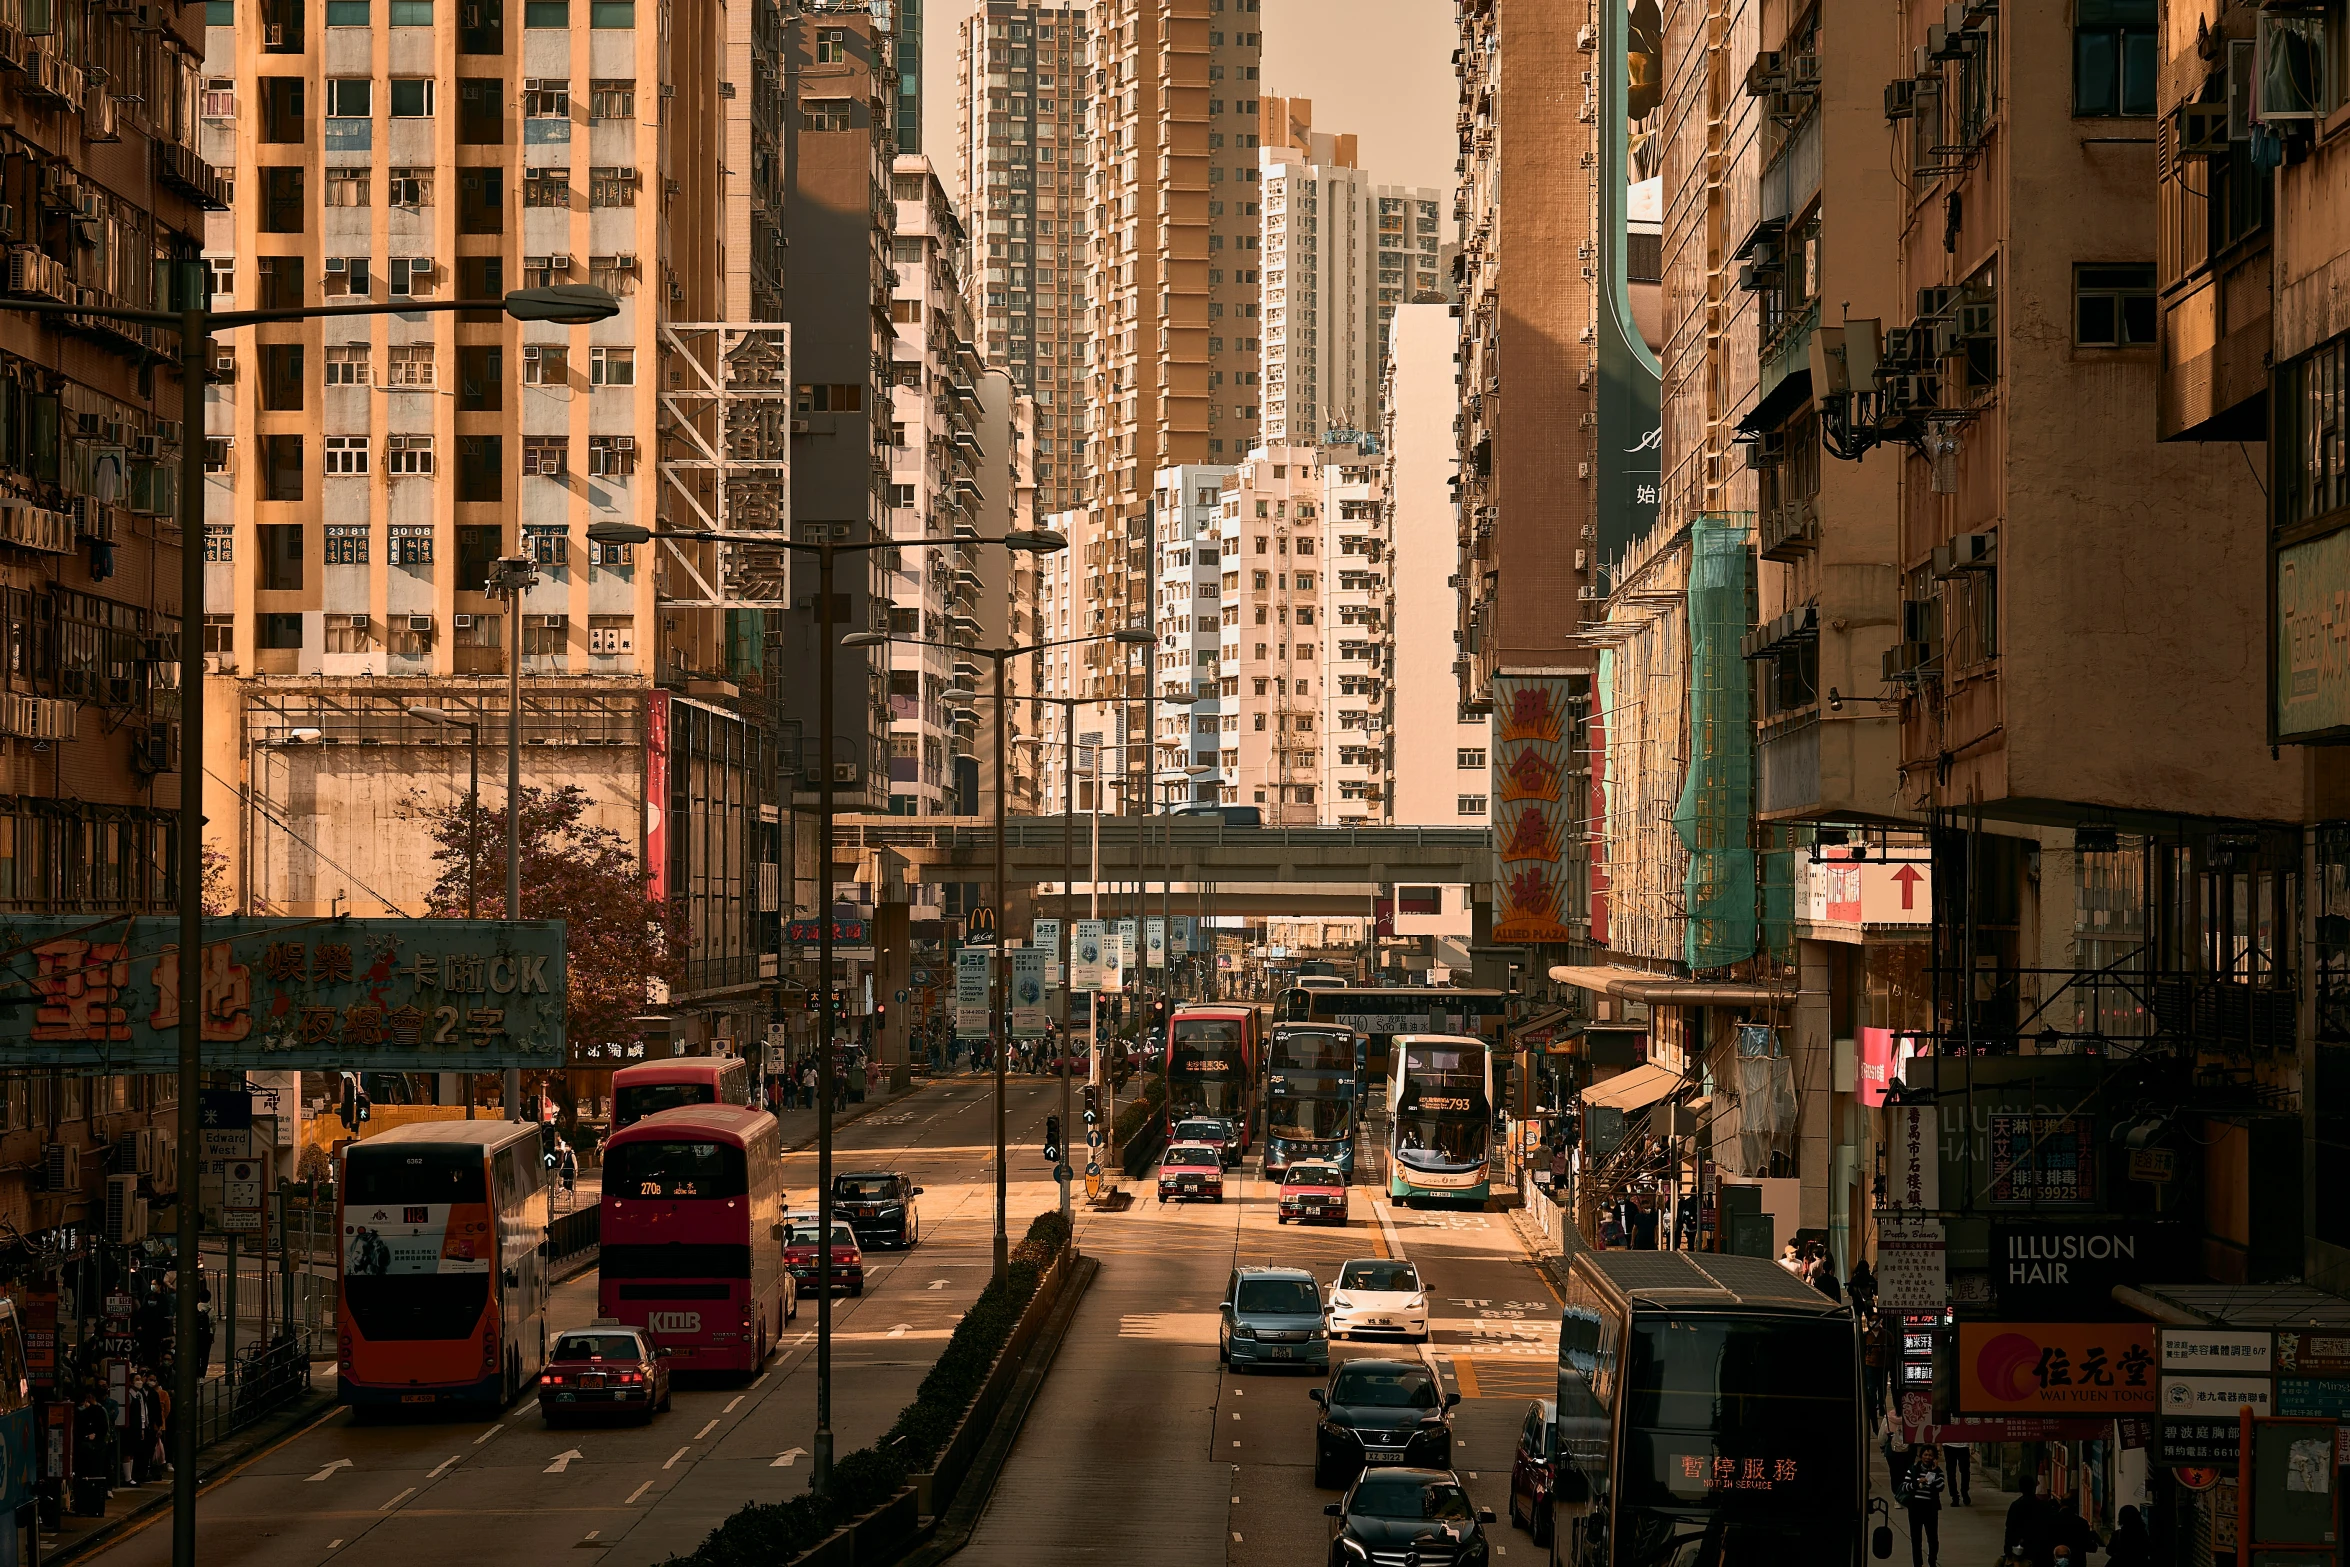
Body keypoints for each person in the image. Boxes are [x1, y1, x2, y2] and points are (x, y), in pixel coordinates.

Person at [1899, 1445, 1946, 1567]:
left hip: (1930, 1508)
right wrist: (1917, 1482)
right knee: (1916, 1539)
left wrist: (1933, 1472)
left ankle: (1932, 1561)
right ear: (1921, 1456)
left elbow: (1940, 1487)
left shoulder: (1938, 1472)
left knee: (1933, 1539)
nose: (1927, 1457)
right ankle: (1917, 1564)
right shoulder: (1913, 1470)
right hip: (1915, 1508)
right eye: (1925, 1455)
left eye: (1930, 1455)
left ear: (1934, 1457)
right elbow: (1904, 1487)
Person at [2007, 1475, 2055, 1567]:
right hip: (2040, 1547)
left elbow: (2010, 1529)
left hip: (2022, 1549)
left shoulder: (2016, 1505)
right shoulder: (2043, 1506)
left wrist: (2008, 1551)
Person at [1940, 1441, 1971, 1505]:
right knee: (1951, 1473)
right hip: (1948, 1445)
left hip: (1963, 1446)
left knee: (1965, 1471)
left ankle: (1964, 1492)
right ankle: (1955, 1496)